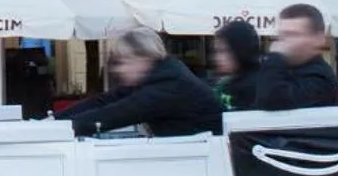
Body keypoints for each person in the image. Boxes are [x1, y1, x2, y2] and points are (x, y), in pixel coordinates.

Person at [59, 29, 223, 138]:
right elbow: (104, 100)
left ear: (144, 59)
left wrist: (56, 131)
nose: (119, 69)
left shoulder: (168, 86)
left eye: (125, 62)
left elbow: (112, 115)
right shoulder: (159, 77)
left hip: (204, 162)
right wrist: (54, 121)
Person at [252, 4, 338, 111]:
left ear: (319, 38)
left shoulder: (319, 79)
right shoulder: (283, 69)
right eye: (281, 35)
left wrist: (275, 58)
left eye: (294, 35)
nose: (285, 41)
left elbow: (272, 101)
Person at [211, 20, 263, 110]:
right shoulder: (227, 82)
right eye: (216, 51)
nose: (217, 57)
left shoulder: (258, 89)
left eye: (223, 51)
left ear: (240, 50)